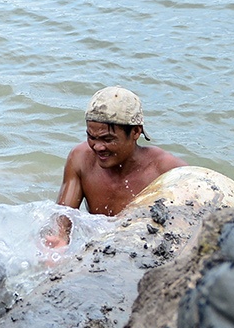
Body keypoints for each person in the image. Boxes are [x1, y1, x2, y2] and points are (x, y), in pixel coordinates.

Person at [49, 86, 185, 243]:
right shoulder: (81, 159)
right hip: (100, 248)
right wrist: (57, 241)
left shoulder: (167, 170)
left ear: (135, 132)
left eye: (108, 139)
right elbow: (62, 220)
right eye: (91, 137)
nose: (98, 147)